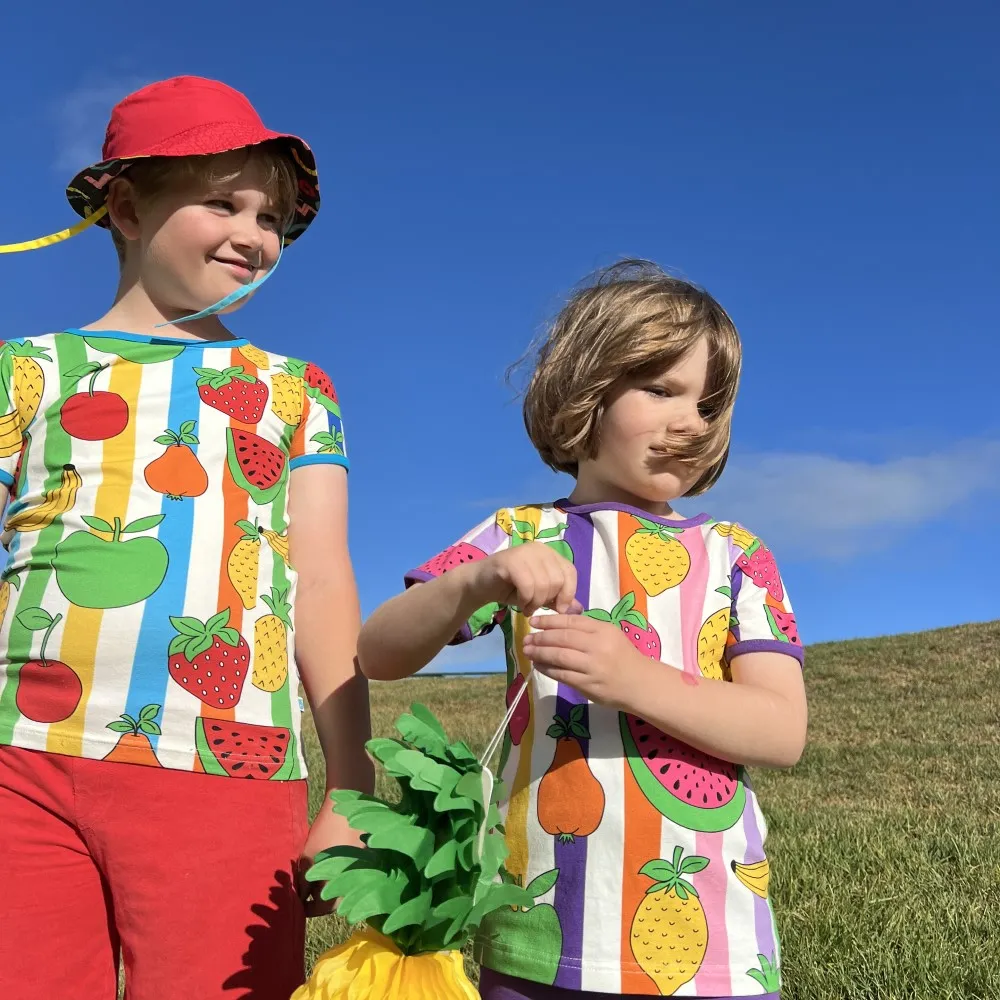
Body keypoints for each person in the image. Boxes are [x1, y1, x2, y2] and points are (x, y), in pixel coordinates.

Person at [0, 76, 373, 1000]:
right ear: (125, 206)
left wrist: (351, 783)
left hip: (225, 762)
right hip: (17, 756)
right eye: (224, 201)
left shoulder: (294, 389)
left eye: (274, 216)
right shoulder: (24, 372)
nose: (255, 234)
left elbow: (321, 583)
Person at [357, 260, 807, 999]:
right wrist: (474, 581)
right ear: (585, 392)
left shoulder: (739, 556)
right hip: (538, 929)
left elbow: (781, 730)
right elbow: (378, 653)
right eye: (661, 389)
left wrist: (635, 681)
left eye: (708, 403)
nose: (689, 421)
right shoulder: (518, 533)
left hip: (713, 943)